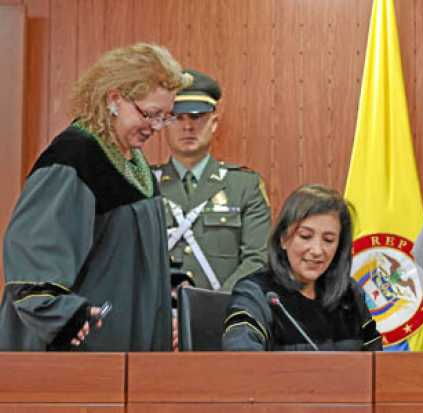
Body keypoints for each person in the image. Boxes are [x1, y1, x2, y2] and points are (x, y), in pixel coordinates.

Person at [0, 43, 192, 351]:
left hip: (130, 347)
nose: (156, 127)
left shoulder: (134, 162)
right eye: (150, 114)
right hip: (79, 355)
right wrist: (63, 316)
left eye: (164, 117)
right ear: (114, 99)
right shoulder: (74, 158)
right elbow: (33, 259)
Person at [222, 184, 382, 351]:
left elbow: (378, 367)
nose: (317, 251)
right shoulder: (255, 294)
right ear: (283, 238)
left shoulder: (349, 295)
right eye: (305, 236)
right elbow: (241, 365)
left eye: (328, 240)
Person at [152, 70, 271, 292]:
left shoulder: (244, 186)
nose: (187, 126)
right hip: (157, 318)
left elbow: (258, 260)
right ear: (165, 123)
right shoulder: (145, 184)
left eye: (196, 116)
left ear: (214, 123)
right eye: (177, 117)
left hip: (222, 317)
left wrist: (214, 308)